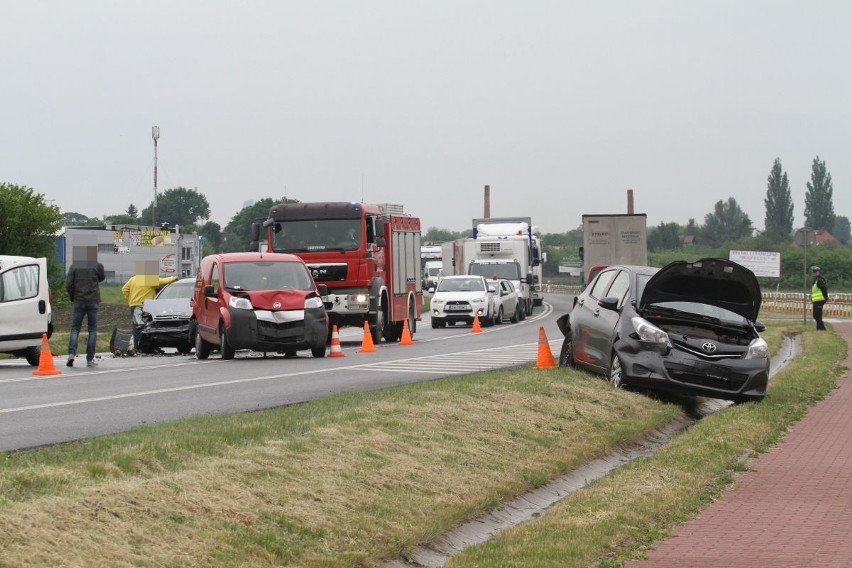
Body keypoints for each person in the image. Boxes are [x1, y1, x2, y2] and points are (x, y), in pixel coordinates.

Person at [122, 261, 178, 351]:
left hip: (134, 306)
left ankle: (139, 347)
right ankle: (143, 347)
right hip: (145, 306)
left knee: (137, 327)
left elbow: (124, 289)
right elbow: (162, 281)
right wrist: (174, 278)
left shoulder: (133, 279)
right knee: (147, 327)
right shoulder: (147, 279)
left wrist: (130, 300)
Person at [65, 245, 106, 367]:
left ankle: (72, 353)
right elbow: (102, 277)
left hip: (79, 300)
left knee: (75, 329)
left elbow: (68, 285)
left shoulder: (74, 266)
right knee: (92, 330)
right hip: (93, 300)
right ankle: (90, 359)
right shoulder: (97, 265)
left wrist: (73, 297)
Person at [811, 266, 829, 330]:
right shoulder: (816, 280)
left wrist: (826, 297)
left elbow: (824, 289)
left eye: (815, 272)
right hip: (816, 300)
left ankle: (822, 328)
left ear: (818, 272)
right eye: (813, 272)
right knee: (817, 315)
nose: (813, 273)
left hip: (820, 300)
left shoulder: (819, 280)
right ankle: (819, 328)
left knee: (816, 315)